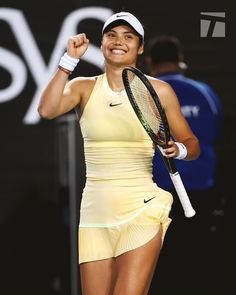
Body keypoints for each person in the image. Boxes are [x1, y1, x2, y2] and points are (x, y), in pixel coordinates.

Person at [38, 13, 200, 295]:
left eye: (128, 36)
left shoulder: (160, 91)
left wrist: (180, 149)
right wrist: (68, 62)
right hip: (95, 213)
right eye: (112, 35)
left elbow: (191, 143)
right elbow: (47, 110)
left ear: (139, 47)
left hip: (142, 207)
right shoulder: (83, 87)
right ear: (102, 44)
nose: (118, 42)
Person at [145, 34, 223, 291]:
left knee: (161, 268)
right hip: (199, 193)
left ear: (150, 62)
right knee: (198, 265)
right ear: (180, 60)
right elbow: (214, 131)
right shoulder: (205, 93)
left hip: (159, 197)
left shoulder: (147, 94)